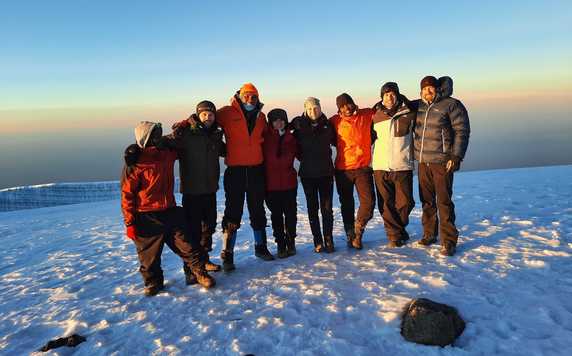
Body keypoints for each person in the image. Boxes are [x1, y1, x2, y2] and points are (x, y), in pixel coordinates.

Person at [121, 121, 215, 296]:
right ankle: (153, 282)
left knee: (188, 245)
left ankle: (199, 273)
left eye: (159, 133)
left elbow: (176, 140)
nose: (159, 137)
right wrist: (130, 223)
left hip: (170, 209)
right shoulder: (136, 162)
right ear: (146, 138)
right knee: (149, 256)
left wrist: (186, 124)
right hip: (145, 214)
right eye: (155, 134)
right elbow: (127, 194)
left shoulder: (167, 153)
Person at [215, 83, 274, 270]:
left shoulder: (261, 117)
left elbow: (269, 136)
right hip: (236, 171)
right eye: (246, 96)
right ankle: (228, 253)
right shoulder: (226, 113)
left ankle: (260, 247)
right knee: (233, 211)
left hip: (256, 169)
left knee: (258, 209)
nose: (250, 99)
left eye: (253, 96)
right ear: (240, 96)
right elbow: (205, 121)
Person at [413, 76, 470, 256]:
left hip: (442, 162)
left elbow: (462, 131)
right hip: (423, 161)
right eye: (424, 89)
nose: (427, 92)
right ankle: (429, 234)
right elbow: (399, 105)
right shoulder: (419, 106)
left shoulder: (451, 105)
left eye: (431, 88)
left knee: (443, 201)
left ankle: (449, 241)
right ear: (420, 91)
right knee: (427, 201)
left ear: (437, 89)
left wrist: (456, 156)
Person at [170, 101, 225, 284]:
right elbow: (166, 144)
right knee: (192, 230)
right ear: (198, 115)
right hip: (192, 191)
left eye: (211, 114)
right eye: (204, 115)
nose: (208, 117)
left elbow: (226, 150)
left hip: (209, 189)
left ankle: (204, 260)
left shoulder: (216, 134)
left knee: (208, 227)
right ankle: (191, 270)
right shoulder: (186, 134)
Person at [371, 82, 416, 247]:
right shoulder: (375, 115)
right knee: (386, 203)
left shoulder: (409, 112)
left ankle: (399, 229)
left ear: (397, 95)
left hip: (402, 164)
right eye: (386, 94)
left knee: (406, 202)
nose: (389, 97)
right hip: (380, 165)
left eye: (392, 94)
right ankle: (394, 236)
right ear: (381, 97)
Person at [330, 93, 376, 250]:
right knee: (347, 204)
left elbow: (384, 108)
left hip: (363, 168)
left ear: (353, 103)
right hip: (343, 170)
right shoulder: (335, 121)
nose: (346, 108)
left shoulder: (366, 114)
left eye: (348, 104)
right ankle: (351, 234)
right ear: (339, 109)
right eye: (342, 106)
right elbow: (317, 126)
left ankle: (358, 228)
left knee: (368, 202)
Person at [291, 97, 336, 253]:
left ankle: (329, 239)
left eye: (315, 107)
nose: (313, 111)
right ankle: (318, 241)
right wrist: (302, 158)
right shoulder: (298, 126)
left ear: (320, 108)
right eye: (309, 108)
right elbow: (292, 144)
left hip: (326, 173)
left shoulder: (328, 124)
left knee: (327, 208)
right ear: (305, 109)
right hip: (308, 174)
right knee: (312, 208)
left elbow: (337, 140)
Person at [263, 108, 298, 258]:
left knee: (291, 215)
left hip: (289, 183)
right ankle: (281, 245)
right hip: (271, 185)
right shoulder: (264, 138)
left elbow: (303, 153)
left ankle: (291, 242)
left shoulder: (292, 138)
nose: (279, 123)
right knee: (276, 216)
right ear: (271, 123)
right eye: (275, 120)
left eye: (281, 120)